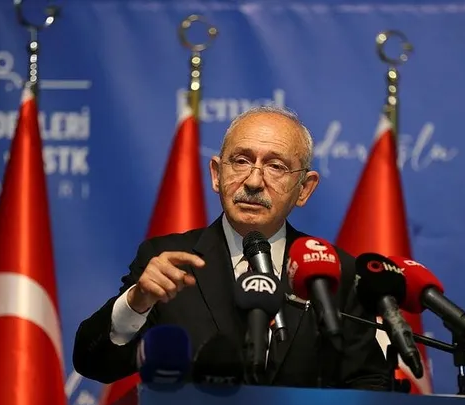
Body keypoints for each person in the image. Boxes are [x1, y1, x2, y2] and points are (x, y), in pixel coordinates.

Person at [72, 106, 390, 390]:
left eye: (275, 166)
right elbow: (94, 364)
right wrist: (136, 302)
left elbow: (370, 382)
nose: (253, 181)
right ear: (216, 174)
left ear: (304, 189)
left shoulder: (335, 272)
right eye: (241, 161)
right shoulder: (168, 263)